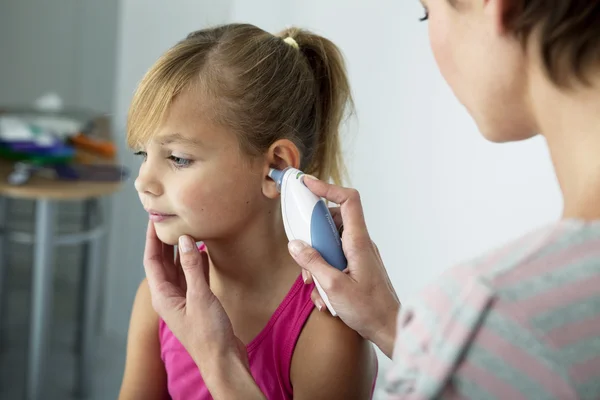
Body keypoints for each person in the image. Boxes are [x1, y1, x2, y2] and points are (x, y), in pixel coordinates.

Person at [143, 1, 600, 399]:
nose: (144, 181)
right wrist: (387, 323)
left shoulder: (490, 314)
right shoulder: (497, 320)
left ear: (497, 6)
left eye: (427, 11)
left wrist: (218, 362)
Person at [118, 23, 378, 400]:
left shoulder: (327, 334)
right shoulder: (161, 301)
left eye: (178, 158)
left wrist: (217, 362)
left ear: (275, 166)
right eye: (144, 154)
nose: (144, 181)